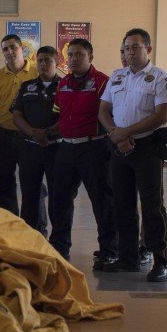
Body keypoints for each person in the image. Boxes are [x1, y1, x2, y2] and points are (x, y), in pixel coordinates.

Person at [98, 28, 167, 281]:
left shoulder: (160, 78)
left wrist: (126, 132)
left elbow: (161, 116)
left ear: (148, 50)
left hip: (147, 148)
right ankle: (128, 258)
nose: (130, 52)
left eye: (136, 47)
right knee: (123, 205)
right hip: (120, 149)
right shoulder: (117, 76)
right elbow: (104, 111)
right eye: (127, 48)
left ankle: (161, 260)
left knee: (152, 206)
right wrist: (116, 135)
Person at [48, 38, 117, 265]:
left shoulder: (103, 83)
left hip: (94, 148)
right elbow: (60, 117)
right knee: (60, 199)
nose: (74, 59)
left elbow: (110, 114)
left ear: (91, 58)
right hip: (66, 148)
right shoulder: (63, 84)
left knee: (102, 200)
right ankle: (59, 247)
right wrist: (43, 133)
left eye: (80, 55)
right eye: (71, 55)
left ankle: (109, 250)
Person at [0, 34, 37, 214]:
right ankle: (11, 224)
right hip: (2, 136)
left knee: (32, 183)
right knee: (2, 184)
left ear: (22, 49)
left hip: (28, 136)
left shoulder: (37, 72)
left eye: (13, 47)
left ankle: (36, 228)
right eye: (5, 48)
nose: (9, 51)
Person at [11, 45, 61, 236]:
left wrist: (47, 133)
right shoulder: (26, 86)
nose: (43, 64)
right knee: (30, 195)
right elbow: (17, 115)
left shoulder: (65, 87)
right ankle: (31, 236)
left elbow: (69, 117)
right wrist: (33, 133)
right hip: (30, 150)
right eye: (40, 60)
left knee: (58, 196)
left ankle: (58, 240)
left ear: (56, 63)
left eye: (48, 60)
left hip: (56, 149)